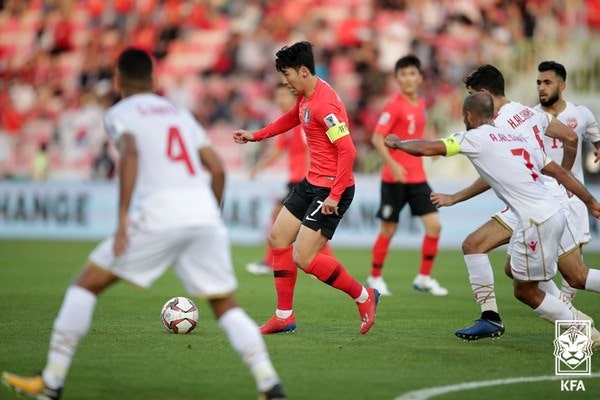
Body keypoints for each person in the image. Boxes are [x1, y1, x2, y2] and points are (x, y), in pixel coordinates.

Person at [1, 48, 286, 400]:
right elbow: (217, 167)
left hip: (159, 215)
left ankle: (52, 381)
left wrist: (122, 217)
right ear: (153, 81)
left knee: (84, 285)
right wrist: (210, 214)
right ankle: (269, 383)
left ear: (118, 81)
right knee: (225, 305)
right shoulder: (179, 112)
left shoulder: (120, 112)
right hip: (202, 215)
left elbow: (132, 152)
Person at [386, 92, 600, 340]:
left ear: (468, 115)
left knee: (528, 291)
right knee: (510, 268)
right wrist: (590, 201)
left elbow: (429, 147)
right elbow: (561, 174)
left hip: (536, 220)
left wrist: (398, 143)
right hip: (548, 212)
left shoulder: (473, 138)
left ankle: (583, 329)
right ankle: (500, 318)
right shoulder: (516, 138)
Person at [233, 41, 380, 335]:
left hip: (331, 190)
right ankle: (284, 315)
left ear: (302, 71)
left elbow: (348, 150)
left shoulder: (325, 105)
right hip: (311, 182)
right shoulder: (308, 94)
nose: (284, 82)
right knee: (277, 239)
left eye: (286, 75)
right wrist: (257, 136)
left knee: (303, 258)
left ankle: (364, 296)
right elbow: (292, 118)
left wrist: (335, 196)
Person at [365, 54, 446, 297]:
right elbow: (377, 138)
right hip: (395, 178)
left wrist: (432, 148)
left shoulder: (421, 105)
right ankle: (375, 277)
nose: (409, 79)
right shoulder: (393, 106)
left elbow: (423, 129)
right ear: (397, 79)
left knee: (434, 226)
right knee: (388, 229)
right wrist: (393, 164)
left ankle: (424, 277)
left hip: (417, 177)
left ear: (419, 77)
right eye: (404, 75)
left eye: (413, 74)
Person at [245, 83, 333, 276]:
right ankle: (327, 260)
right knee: (303, 223)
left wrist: (309, 178)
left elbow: (311, 149)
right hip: (295, 179)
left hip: (304, 180)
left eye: (285, 95)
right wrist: (259, 167)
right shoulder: (287, 124)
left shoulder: (303, 122)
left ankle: (270, 261)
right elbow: (278, 151)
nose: (280, 99)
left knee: (282, 217)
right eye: (278, 96)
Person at [534, 60, 600, 300]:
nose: (542, 87)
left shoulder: (580, 113)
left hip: (573, 196)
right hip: (542, 197)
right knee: (541, 262)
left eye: (547, 82)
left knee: (575, 265)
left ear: (562, 86)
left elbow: (597, 140)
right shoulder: (531, 116)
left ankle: (565, 312)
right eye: (539, 82)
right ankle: (565, 314)